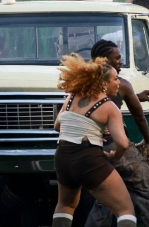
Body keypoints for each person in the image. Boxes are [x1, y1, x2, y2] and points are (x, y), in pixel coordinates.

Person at [84, 40, 149, 227]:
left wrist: (134, 95)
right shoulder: (121, 84)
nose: (120, 60)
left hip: (93, 151)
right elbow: (139, 118)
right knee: (148, 194)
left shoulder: (81, 84)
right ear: (104, 60)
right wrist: (147, 143)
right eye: (117, 58)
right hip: (117, 148)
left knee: (105, 200)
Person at [52, 54, 136, 227]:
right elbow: (122, 143)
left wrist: (89, 128)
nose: (118, 82)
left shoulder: (71, 98)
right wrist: (116, 156)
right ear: (103, 83)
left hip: (62, 158)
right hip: (88, 158)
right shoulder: (109, 106)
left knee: (65, 205)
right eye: (115, 79)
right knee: (125, 210)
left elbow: (57, 126)